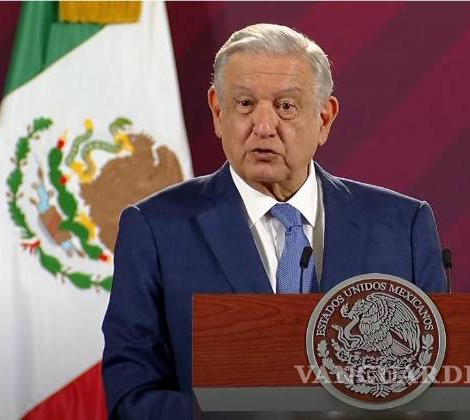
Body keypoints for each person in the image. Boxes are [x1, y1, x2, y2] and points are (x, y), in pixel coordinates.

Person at [102, 23, 446, 419]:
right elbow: (132, 400)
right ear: (218, 112)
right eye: (245, 104)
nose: (263, 128)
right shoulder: (156, 230)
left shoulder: (402, 228)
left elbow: (441, 387)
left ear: (324, 118)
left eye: (286, 106)